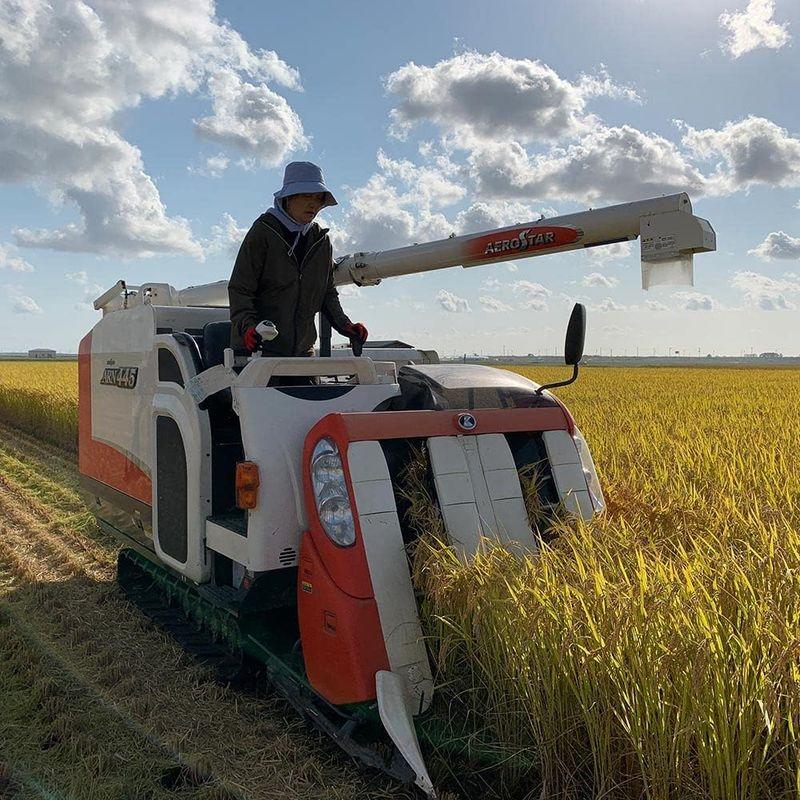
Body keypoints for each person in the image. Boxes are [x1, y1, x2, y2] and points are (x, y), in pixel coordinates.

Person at [228, 161, 368, 357]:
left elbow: (327, 292)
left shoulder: (321, 241)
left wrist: (345, 325)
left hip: (303, 353)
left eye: (319, 198)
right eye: (307, 196)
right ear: (288, 197)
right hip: (258, 352)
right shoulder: (262, 232)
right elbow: (240, 289)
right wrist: (248, 329)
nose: (314, 204)